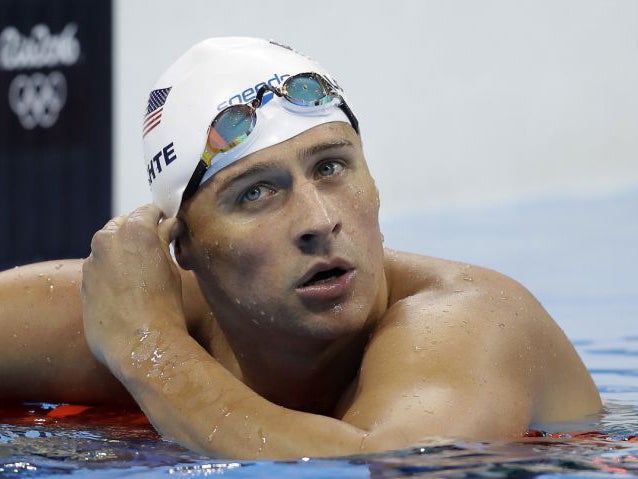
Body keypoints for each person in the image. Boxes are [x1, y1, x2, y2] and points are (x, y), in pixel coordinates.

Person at [0, 37, 601, 459]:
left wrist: (145, 352)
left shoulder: (471, 318)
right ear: (183, 247)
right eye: (256, 192)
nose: (318, 220)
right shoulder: (132, 305)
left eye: (332, 167)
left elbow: (382, 465)